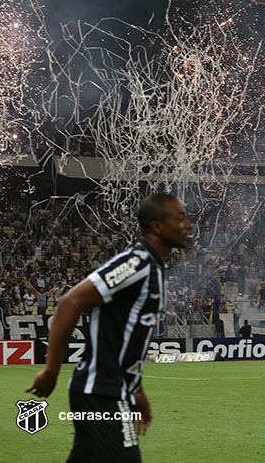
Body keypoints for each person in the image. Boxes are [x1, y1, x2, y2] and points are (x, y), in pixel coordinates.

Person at [26, 193, 191, 462]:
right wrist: (51, 369)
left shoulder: (154, 269)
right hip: (101, 394)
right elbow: (70, 302)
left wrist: (136, 390)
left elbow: (127, 344)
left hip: (113, 392)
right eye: (180, 218)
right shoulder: (135, 264)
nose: (189, 225)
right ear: (157, 226)